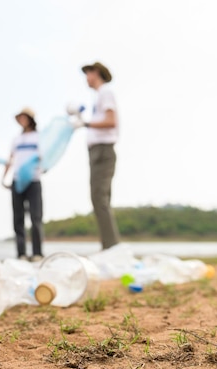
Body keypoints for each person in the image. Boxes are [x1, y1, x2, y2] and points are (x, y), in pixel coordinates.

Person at [76, 62, 121, 249]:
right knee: (100, 198)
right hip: (97, 150)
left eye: (88, 73)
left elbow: (111, 121)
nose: (86, 78)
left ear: (96, 73)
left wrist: (86, 124)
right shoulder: (99, 97)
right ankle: (109, 245)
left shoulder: (105, 93)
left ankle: (111, 247)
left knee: (99, 198)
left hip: (103, 150)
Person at [3, 108, 44, 261]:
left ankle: (37, 253)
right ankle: (21, 253)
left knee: (36, 217)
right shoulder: (16, 139)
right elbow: (11, 158)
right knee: (18, 218)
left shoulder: (39, 137)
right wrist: (4, 176)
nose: (22, 120)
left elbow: (44, 156)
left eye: (24, 117)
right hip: (17, 180)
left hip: (33, 180)